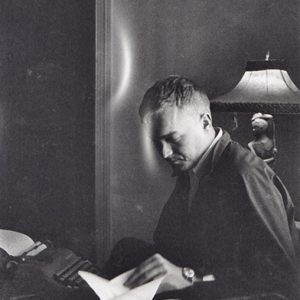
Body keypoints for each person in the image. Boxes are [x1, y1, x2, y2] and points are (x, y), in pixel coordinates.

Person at [118, 75, 300, 299]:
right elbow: (173, 247)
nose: (164, 153)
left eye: (173, 138)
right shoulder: (191, 167)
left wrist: (187, 277)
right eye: (156, 142)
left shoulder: (245, 175)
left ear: (205, 122)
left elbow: (283, 285)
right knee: (124, 250)